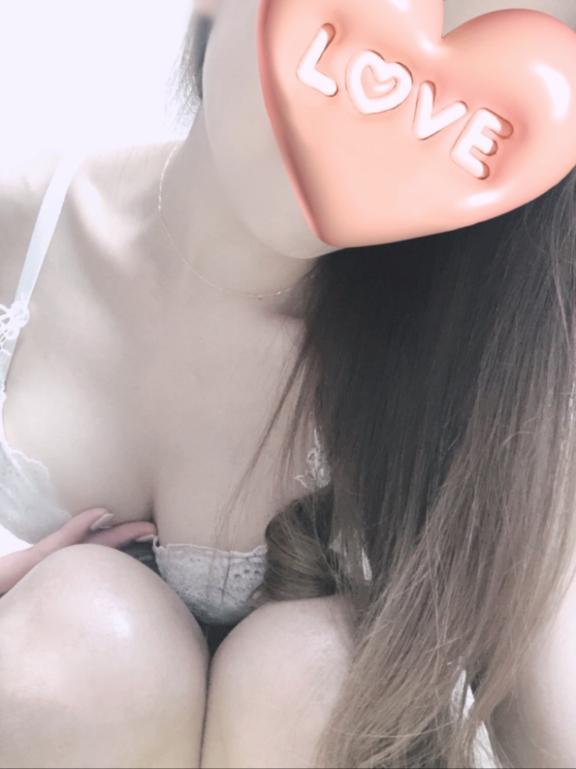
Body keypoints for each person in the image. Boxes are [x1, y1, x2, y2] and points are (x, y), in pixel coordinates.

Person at [0, 1, 575, 767]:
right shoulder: (19, 230)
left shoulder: (498, 361)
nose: (396, 97)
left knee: (316, 672)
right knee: (90, 638)